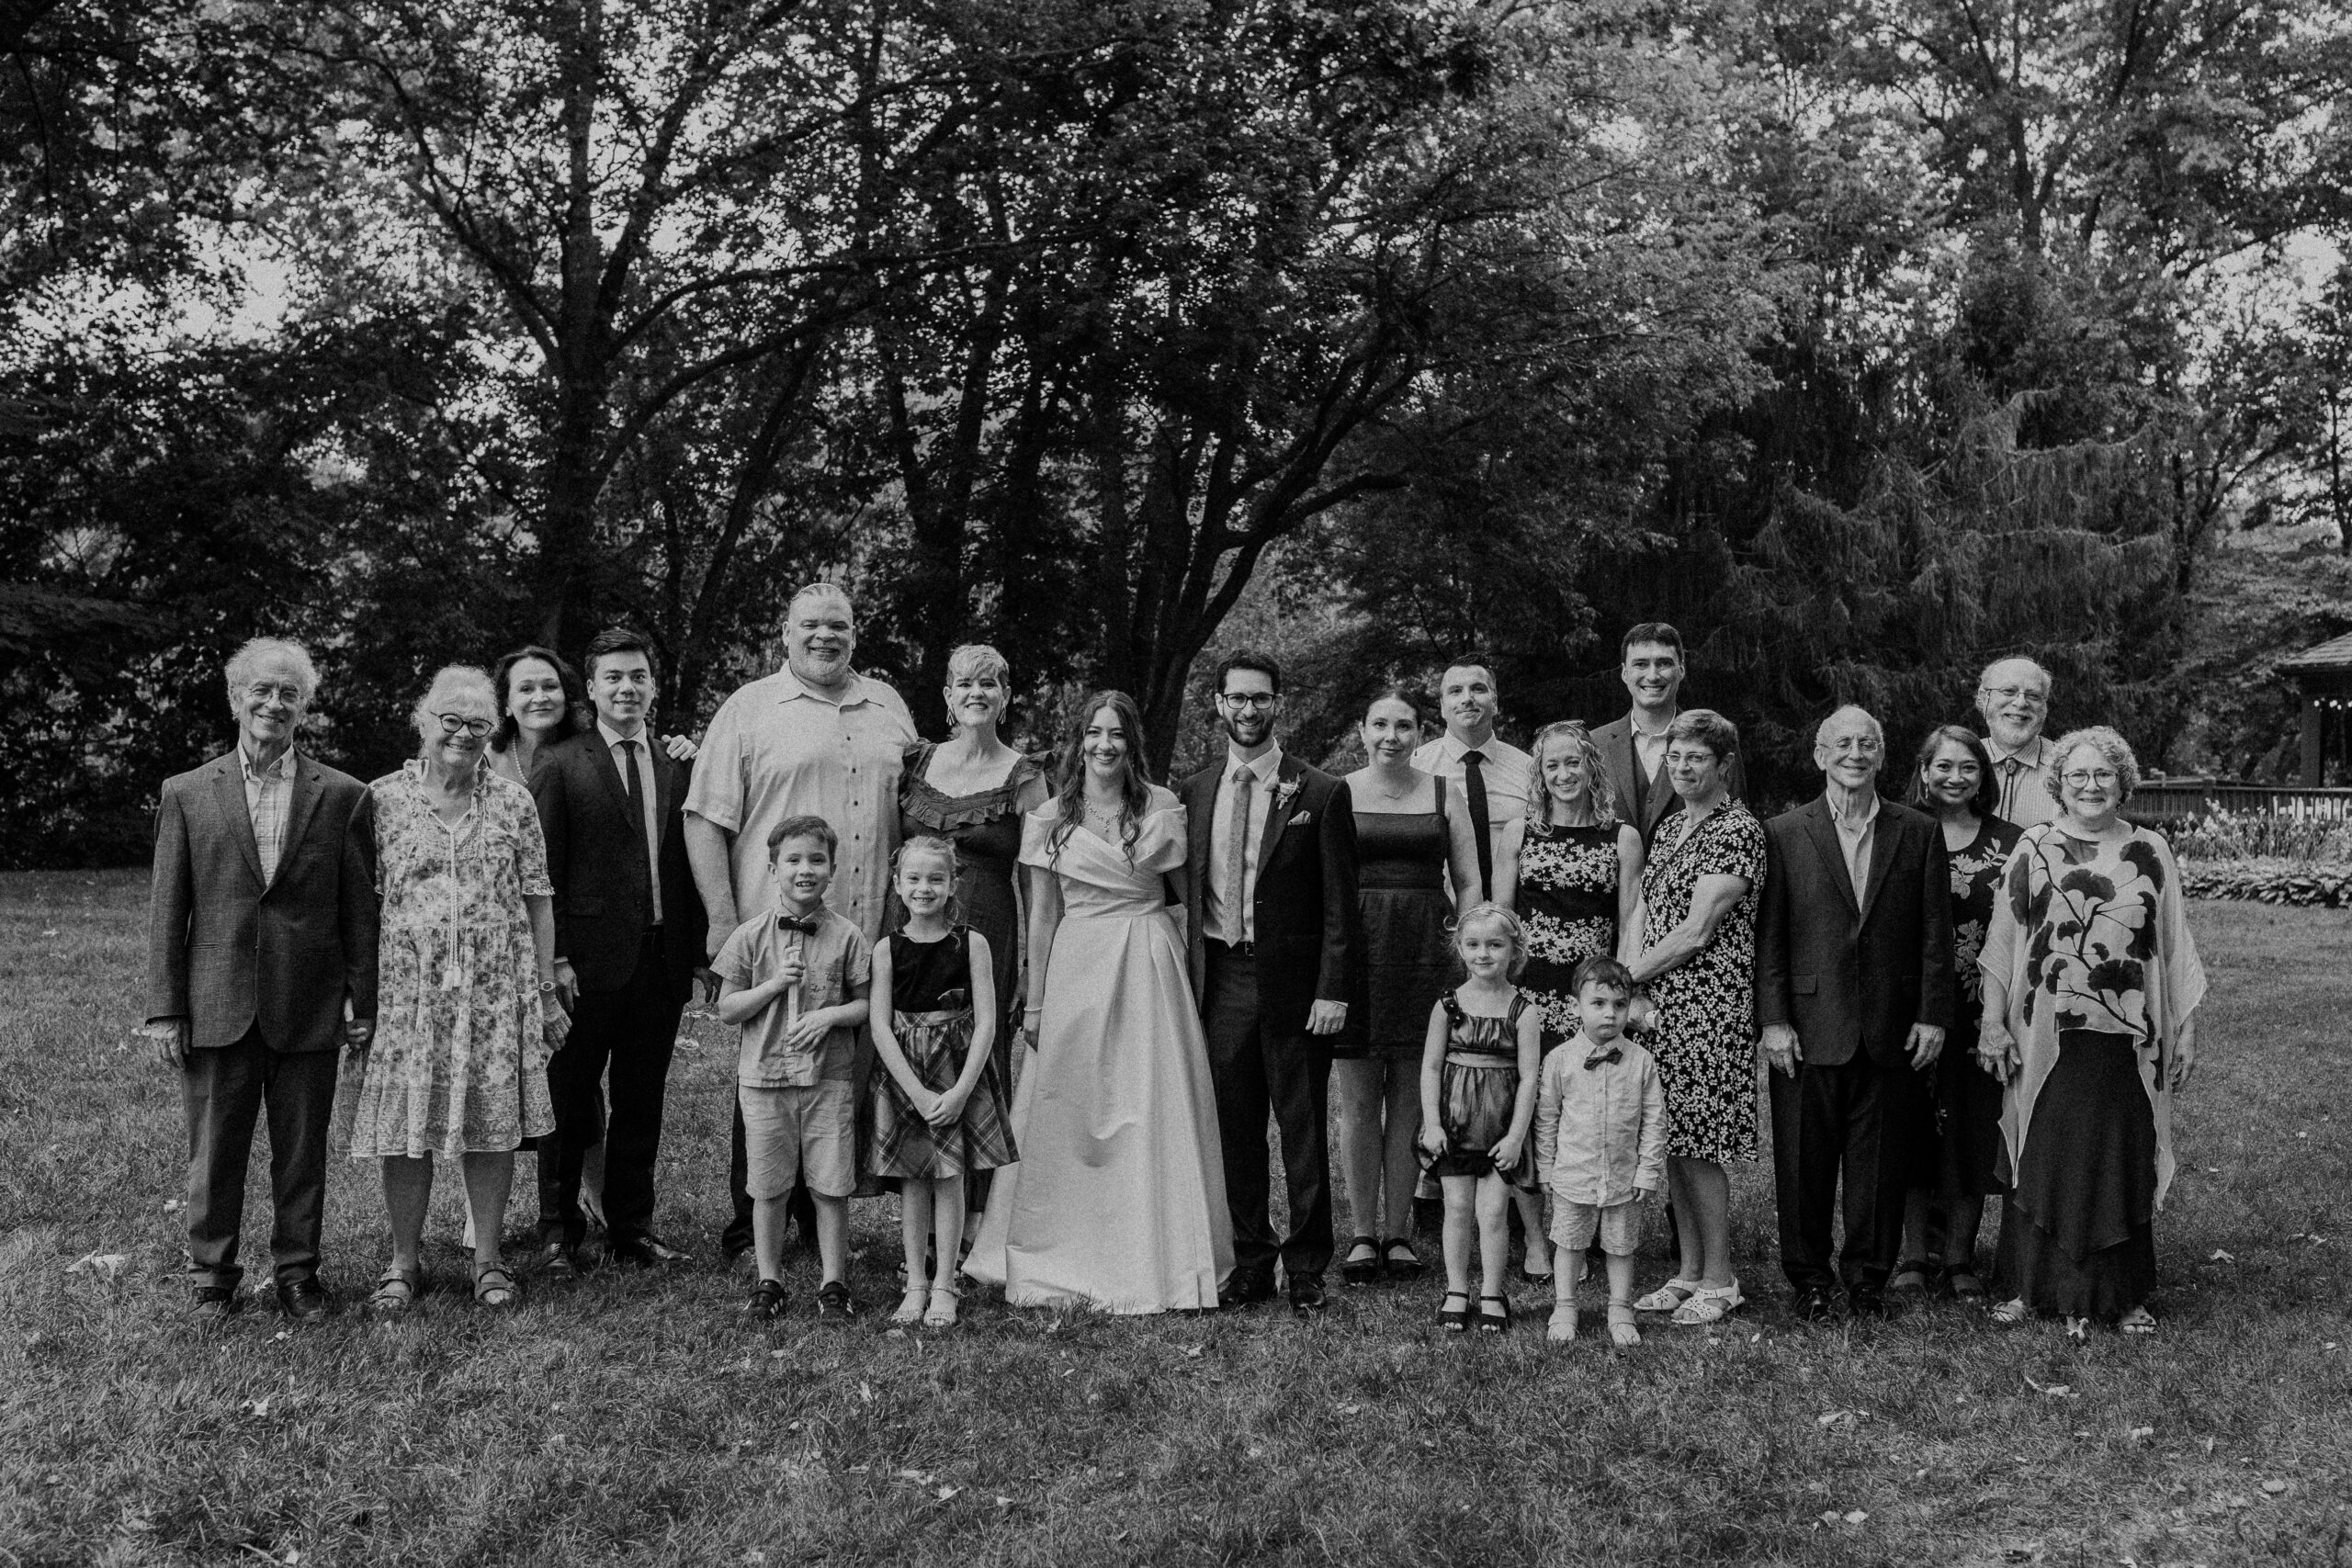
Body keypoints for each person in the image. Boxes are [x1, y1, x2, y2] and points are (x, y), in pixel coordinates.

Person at [965, 692, 1234, 1314]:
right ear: (1078, 741)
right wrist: (1035, 1000)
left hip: (1147, 956)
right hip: (1079, 956)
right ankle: (1066, 1246)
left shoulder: (1162, 806)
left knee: (1148, 1100)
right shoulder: (1051, 816)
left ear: (1132, 742)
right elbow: (1042, 913)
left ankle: (1157, 1250)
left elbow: (1190, 899)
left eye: (1116, 733)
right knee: (1072, 1101)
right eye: (1094, 733)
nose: (1104, 745)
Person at [142, 637, 379, 1319]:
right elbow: (168, 909)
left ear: (304, 707)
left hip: (309, 1003)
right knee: (214, 1151)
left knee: (302, 1153)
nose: (274, 702)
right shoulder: (188, 792)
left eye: (289, 693)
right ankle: (211, 1276)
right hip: (217, 1002)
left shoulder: (343, 796)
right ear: (235, 698)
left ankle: (298, 1273)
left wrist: (362, 999)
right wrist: (166, 1008)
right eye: (262, 690)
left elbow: (359, 911)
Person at [686, 582, 917, 1258]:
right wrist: (723, 919)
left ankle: (823, 1218)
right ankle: (751, 1222)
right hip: (772, 926)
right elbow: (705, 818)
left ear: (855, 633)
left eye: (838, 625)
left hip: (862, 929)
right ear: (784, 634)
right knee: (767, 1068)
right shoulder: (750, 708)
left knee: (838, 1072)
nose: (825, 636)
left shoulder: (889, 707)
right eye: (810, 624)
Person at [348, 665, 565, 1314]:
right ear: (424, 722)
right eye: (450, 720)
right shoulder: (381, 799)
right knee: (404, 1129)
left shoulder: (514, 802)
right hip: (408, 992)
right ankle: (402, 1262)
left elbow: (538, 899)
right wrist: (357, 993)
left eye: (478, 724)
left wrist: (544, 992)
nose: (463, 734)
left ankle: (489, 1260)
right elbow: (360, 906)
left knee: (490, 1128)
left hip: (495, 992)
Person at [1980, 728, 2206, 1334]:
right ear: (2059, 784)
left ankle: (2124, 1294)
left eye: (2103, 774)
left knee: (2121, 1156)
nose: (2090, 785)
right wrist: (1992, 1023)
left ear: (2122, 783)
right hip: (2045, 1036)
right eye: (2077, 775)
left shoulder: (2151, 850)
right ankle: (2031, 1289)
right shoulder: (2033, 847)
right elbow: (2002, 943)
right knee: (2043, 1152)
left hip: (2128, 1039)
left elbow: (2175, 943)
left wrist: (2185, 1029)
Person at [1756, 705, 1955, 1320]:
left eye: (1867, 743)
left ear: (1882, 755)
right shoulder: (1783, 832)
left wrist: (1933, 1013)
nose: (1855, 753)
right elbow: (1770, 935)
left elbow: (1935, 933)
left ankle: (1869, 1277)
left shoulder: (1917, 831)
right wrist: (1774, 1019)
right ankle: (1810, 1278)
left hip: (1891, 1026)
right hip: (1807, 1025)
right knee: (1803, 1161)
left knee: (1881, 1162)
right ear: (1820, 755)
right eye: (1842, 743)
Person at [1181, 650, 1360, 1315]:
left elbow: (1341, 904)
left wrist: (1332, 988)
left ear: (1278, 702)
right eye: (1237, 698)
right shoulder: (1194, 792)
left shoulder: (1320, 791)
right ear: (1219, 705)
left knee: (1303, 1125)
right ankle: (1252, 1259)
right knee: (1235, 1126)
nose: (1249, 709)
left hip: (1295, 982)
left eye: (1260, 697)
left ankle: (1308, 1264)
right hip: (1222, 975)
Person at [528, 627, 708, 1275]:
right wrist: (556, 958)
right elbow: (543, 870)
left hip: (660, 960)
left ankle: (632, 1228)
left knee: (641, 1099)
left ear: (653, 686)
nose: (627, 687)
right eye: (614, 677)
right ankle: (559, 1231)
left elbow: (691, 863)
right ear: (592, 687)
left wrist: (698, 950)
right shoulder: (561, 762)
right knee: (569, 1097)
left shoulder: (680, 763)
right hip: (585, 963)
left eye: (637, 676)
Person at [895, 643, 1050, 1233]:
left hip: (988, 935)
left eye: (989, 684)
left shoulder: (1025, 776)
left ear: (1006, 698)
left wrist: (1034, 968)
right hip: (915, 933)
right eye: (964, 683)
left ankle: (976, 1222)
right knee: (916, 1052)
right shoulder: (916, 764)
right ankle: (922, 1211)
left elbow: (1040, 884)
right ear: (947, 696)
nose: (976, 693)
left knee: (979, 1059)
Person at [1333, 685, 1479, 1286]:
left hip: (1426, 953)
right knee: (1359, 1099)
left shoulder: (1444, 792)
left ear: (1420, 734)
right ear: (1362, 731)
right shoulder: (1339, 791)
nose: (1391, 736)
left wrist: (1467, 953)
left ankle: (1398, 1233)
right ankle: (1362, 1233)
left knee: (1413, 1098)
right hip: (1358, 952)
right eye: (1380, 724)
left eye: (1403, 726)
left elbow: (1468, 881)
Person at [1495, 719, 1645, 1287]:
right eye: (1551, 765)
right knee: (1531, 1111)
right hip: (1531, 995)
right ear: (1539, 773)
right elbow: (1503, 921)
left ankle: (1587, 1232)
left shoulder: (1621, 838)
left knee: (1591, 1117)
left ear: (1592, 767)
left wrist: (1626, 995)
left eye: (1573, 762)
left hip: (1593, 1000)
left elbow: (1630, 922)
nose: (1563, 774)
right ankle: (1538, 1240)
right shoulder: (1519, 833)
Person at [1624, 710, 1762, 1327]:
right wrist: (1633, 989)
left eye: (1696, 758)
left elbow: (1696, 930)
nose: (1682, 767)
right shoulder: (1673, 825)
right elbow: (1645, 909)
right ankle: (1688, 1272)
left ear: (1723, 764)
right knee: (1674, 1139)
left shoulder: (1737, 829)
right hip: (1660, 1005)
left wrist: (1624, 980)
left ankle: (1721, 1279)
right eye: (1674, 757)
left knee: (1702, 1144)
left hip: (1709, 1005)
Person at [714, 816, 875, 1321]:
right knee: (768, 1186)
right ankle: (770, 1280)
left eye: (816, 860)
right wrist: (773, 985)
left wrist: (828, 1017)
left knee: (830, 1185)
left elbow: (866, 1005)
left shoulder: (848, 936)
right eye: (793, 860)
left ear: (832, 869)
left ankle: (834, 1284)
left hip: (829, 1080)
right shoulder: (749, 936)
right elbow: (726, 1008)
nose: (805, 869)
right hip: (764, 1082)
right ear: (773, 869)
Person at [868, 836, 1018, 1328]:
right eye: (913, 878)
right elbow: (880, 1025)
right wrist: (915, 1091)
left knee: (950, 1177)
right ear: (897, 884)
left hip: (958, 1073)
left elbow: (988, 1023)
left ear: (954, 884)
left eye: (936, 878)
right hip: (906, 1076)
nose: (924, 888)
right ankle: (916, 1282)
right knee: (914, 1179)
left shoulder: (972, 944)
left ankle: (945, 1285)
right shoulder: (887, 950)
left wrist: (959, 1092)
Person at [1894, 725, 2022, 1298]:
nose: (1955, 777)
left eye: (1968, 767)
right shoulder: (1899, 830)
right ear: (1924, 772)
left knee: (1973, 1128)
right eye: (1943, 766)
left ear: (1982, 775)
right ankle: (1912, 1256)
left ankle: (1960, 1257)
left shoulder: (2013, 842)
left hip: (1981, 1008)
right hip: (1912, 1006)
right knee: (1911, 1126)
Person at [1416, 904, 1543, 1333]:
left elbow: (1529, 1078)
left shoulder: (1523, 1011)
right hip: (1454, 1126)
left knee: (1492, 1213)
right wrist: (1432, 1124)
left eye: (1495, 944)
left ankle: (1492, 1291)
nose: (1483, 953)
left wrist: (1516, 1137)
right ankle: (1456, 1289)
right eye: (1472, 944)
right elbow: (1431, 1066)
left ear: (1514, 950)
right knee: (1456, 1208)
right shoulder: (1448, 1005)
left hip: (1500, 1130)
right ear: (1460, 949)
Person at [1532, 957, 1666, 1347]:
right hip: (1574, 1173)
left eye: (1620, 1005)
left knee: (1621, 1246)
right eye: (1598, 1003)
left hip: (1623, 1175)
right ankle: (1565, 1306)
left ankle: (1620, 1308)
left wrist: (1647, 1171)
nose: (1610, 1013)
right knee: (1569, 1243)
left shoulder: (1641, 1061)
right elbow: (1547, 1119)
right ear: (1576, 1006)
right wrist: (1545, 1168)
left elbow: (1654, 1121)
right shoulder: (1559, 1060)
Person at [1591, 624, 1748, 841]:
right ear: (1625, 673)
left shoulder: (1718, 741)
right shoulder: (1593, 744)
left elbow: (1737, 825)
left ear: (1681, 670)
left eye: (1664, 663)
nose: (1653, 676)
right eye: (1641, 664)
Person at [1408, 658, 1532, 904]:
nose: (1467, 698)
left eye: (1478, 689)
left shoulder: (1529, 770)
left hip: (1513, 915)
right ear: (1442, 707)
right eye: (1456, 691)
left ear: (1495, 702)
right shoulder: (1415, 769)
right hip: (1440, 913)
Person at [1976, 657, 2060, 829]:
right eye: (2008, 691)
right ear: (1985, 698)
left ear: (2044, 706)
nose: (2021, 703)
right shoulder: (1958, 763)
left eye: (2033, 695)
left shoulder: (2066, 767)